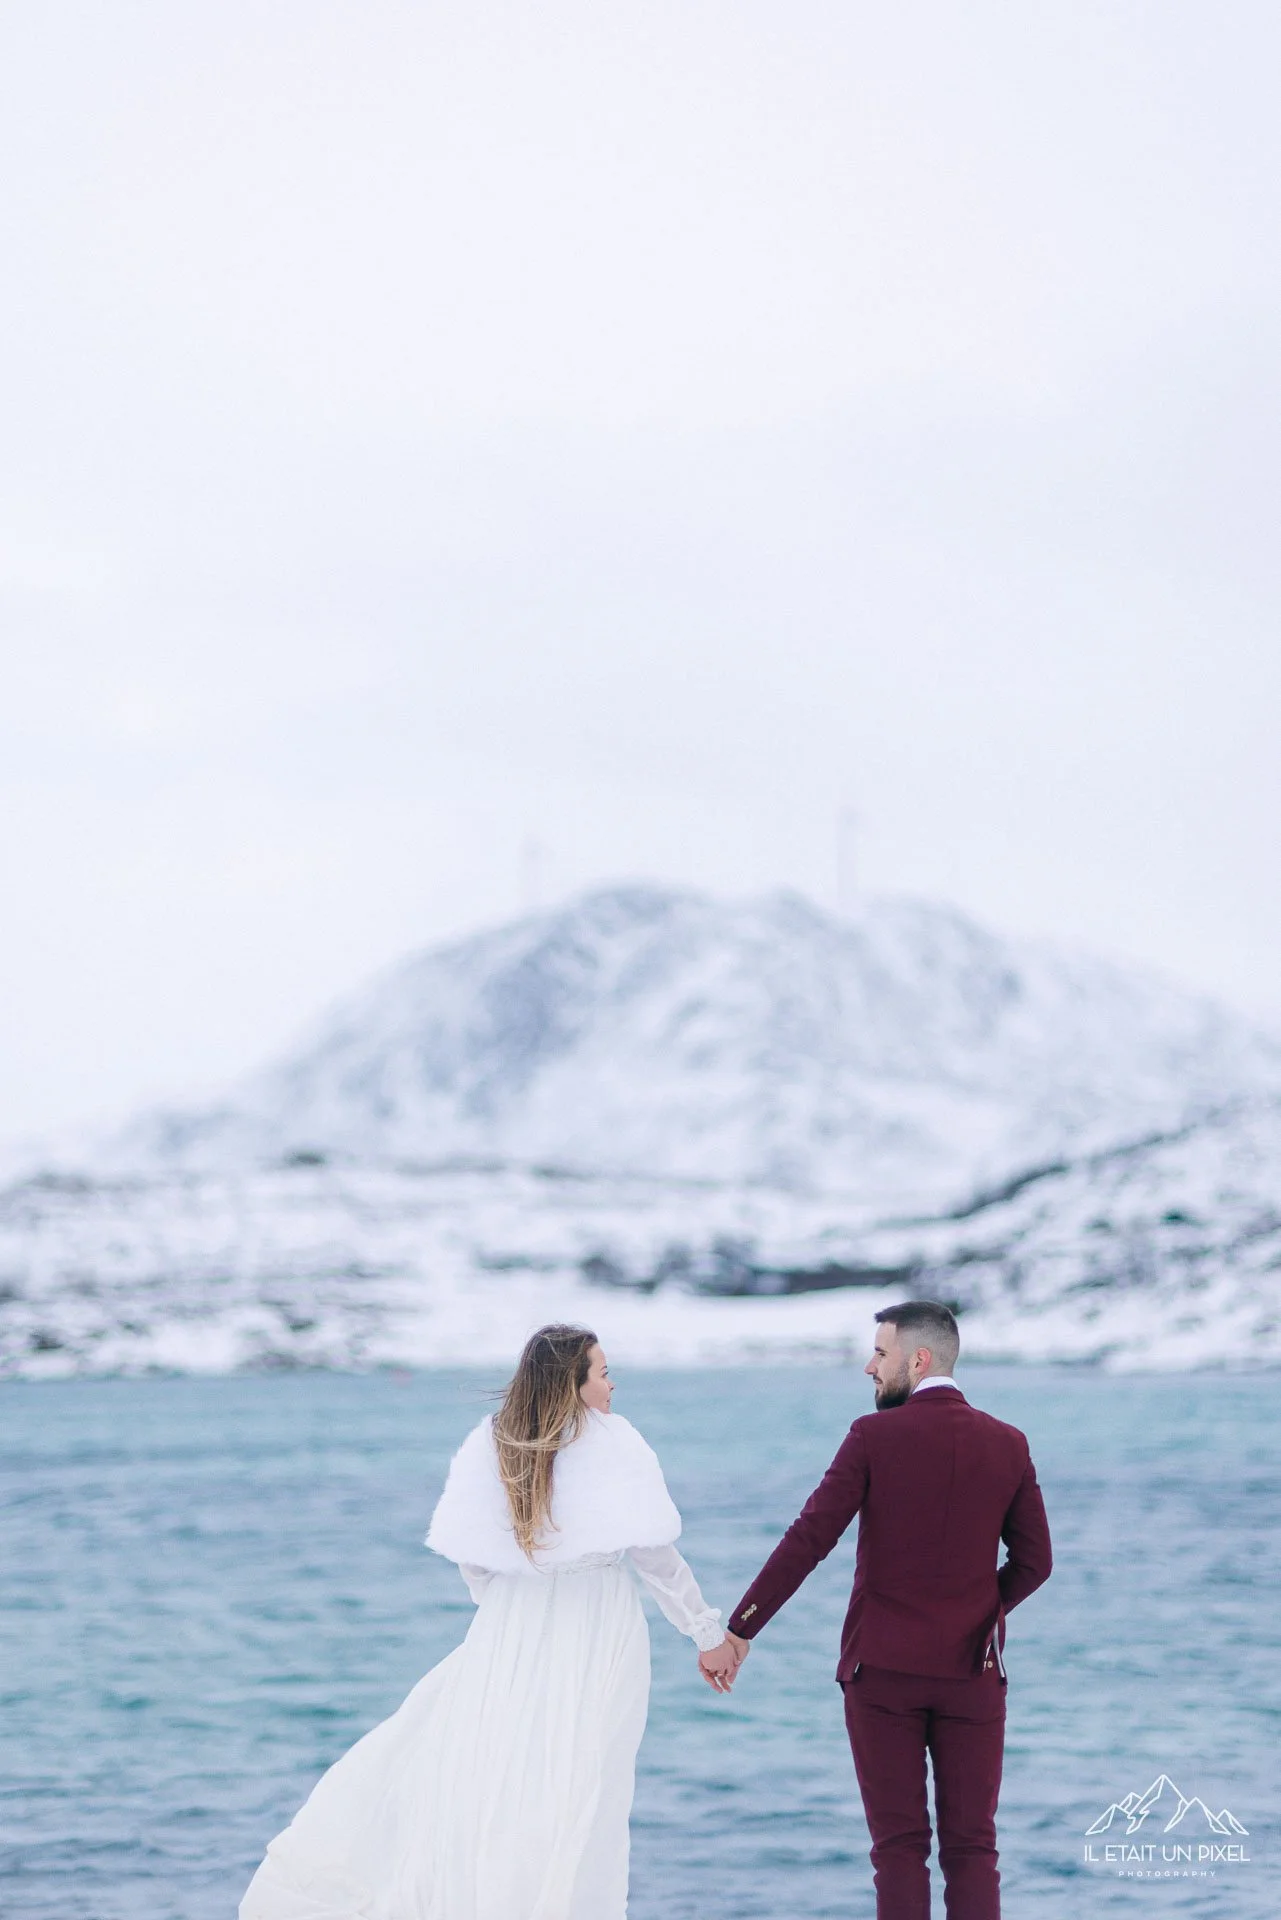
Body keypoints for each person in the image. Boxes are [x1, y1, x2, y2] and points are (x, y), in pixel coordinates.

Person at [239, 1323, 736, 1920]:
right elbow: (655, 1557)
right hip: (596, 1626)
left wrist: (508, 1615)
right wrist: (707, 1633)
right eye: (602, 1373)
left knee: (498, 1771)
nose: (611, 1384)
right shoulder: (616, 1442)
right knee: (584, 1782)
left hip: (511, 1624)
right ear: (571, 1384)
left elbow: (472, 1557)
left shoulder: (494, 1442)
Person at [720, 1300, 1052, 1920]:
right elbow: (1036, 1561)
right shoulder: (1009, 1443)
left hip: (883, 1676)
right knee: (973, 1848)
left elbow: (809, 1538)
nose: (870, 1367)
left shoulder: (873, 1436)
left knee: (899, 1848)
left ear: (917, 1360)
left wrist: (741, 1629)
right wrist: (980, 1611)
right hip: (974, 1675)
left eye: (880, 1353)